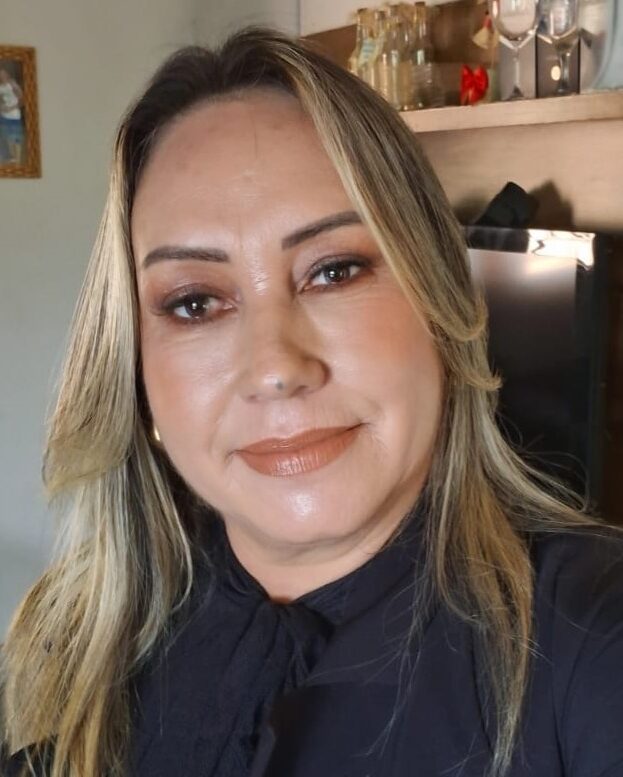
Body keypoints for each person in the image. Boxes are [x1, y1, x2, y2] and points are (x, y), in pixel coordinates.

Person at [1, 27, 622, 777]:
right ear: (135, 370)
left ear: (439, 302)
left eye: (334, 271)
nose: (276, 368)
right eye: (195, 303)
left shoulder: (591, 639)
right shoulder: (75, 646)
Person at [0, 67, 25, 164]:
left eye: (3, 73)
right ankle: (14, 158)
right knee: (8, 137)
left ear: (7, 74)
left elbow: (22, 99)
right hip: (4, 116)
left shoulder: (12, 84)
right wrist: (2, 107)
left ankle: (18, 160)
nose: (2, 76)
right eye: (0, 74)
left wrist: (12, 108)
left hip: (15, 115)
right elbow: (1, 100)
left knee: (17, 138)